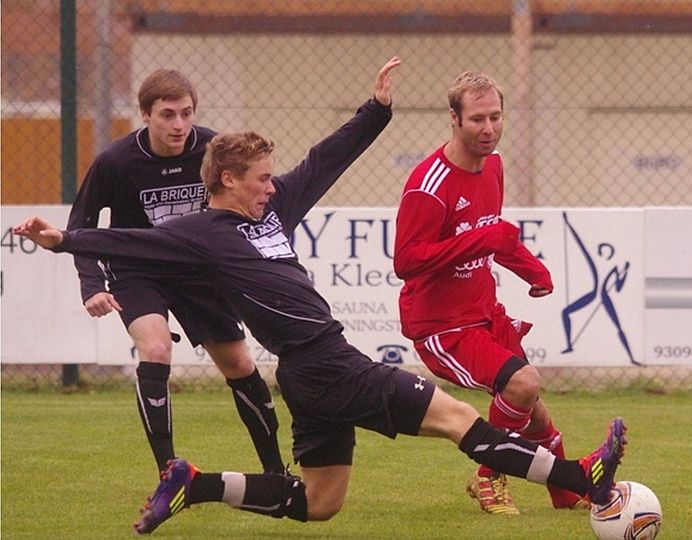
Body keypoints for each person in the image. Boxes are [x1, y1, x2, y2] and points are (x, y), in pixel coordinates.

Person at [14, 58, 627, 536]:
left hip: (308, 374)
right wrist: (63, 240)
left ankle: (193, 484)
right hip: (328, 364)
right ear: (228, 180)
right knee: (458, 419)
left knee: (319, 503)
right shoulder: (199, 233)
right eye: (261, 179)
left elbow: (325, 159)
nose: (271, 186)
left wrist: (375, 111)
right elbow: (127, 241)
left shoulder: (273, 206)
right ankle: (582, 476)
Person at [67, 68, 283, 475]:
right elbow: (81, 225)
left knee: (240, 364)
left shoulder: (211, 149)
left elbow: (245, 199)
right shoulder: (115, 161)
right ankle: (170, 475)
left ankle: (277, 474)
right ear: (145, 114)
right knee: (155, 349)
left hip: (194, 269)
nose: (179, 124)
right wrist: (92, 284)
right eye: (167, 114)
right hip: (137, 269)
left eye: (186, 113)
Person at [393, 71, 586, 514]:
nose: (489, 128)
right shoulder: (429, 185)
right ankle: (488, 475)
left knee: (532, 406)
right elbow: (406, 261)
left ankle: (564, 492)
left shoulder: (493, 166)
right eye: (477, 119)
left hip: (484, 311)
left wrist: (532, 270)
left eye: (495, 117)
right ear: (454, 119)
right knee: (523, 384)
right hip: (442, 327)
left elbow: (491, 233)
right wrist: (482, 240)